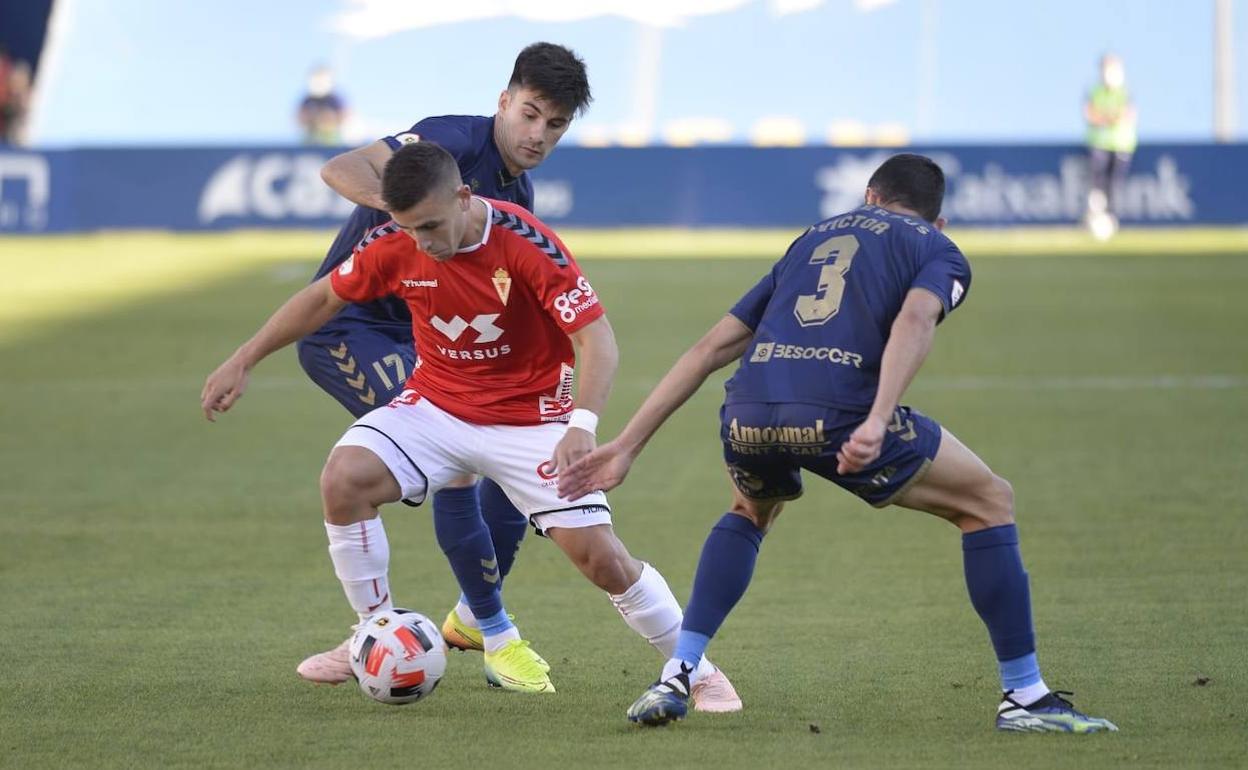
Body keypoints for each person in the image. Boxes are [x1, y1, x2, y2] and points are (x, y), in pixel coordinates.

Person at [557, 154, 1117, 733]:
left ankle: (678, 671)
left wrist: (628, 443)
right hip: (839, 412)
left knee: (750, 510)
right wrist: (876, 420)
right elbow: (916, 320)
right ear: (938, 221)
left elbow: (710, 349)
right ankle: (1025, 697)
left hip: (748, 408)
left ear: (869, 196)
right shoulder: (935, 247)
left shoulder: (813, 237)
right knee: (989, 501)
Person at [202, 141, 741, 708]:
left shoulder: (524, 241)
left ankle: (698, 670)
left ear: (464, 197)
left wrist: (582, 423)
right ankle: (374, 632)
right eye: (409, 229)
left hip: (531, 420)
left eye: (431, 225)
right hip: (436, 406)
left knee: (601, 560)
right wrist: (244, 357)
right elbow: (322, 299)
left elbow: (596, 338)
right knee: (344, 479)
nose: (423, 242)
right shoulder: (395, 241)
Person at [294, 43, 590, 682]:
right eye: (531, 114)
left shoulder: (520, 198)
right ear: (504, 101)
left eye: (556, 124)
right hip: (352, 330)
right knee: (456, 463)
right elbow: (342, 168)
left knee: (509, 459)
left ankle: (460, 621)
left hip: (434, 343)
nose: (538, 135)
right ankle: (479, 632)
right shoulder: (450, 139)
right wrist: (408, 223)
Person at [1083, 53, 1137, 240]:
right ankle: (1095, 217)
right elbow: (1091, 115)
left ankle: (1111, 219)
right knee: (1098, 183)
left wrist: (1107, 117)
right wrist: (1109, 117)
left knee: (1114, 185)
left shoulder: (1124, 92)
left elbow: (1127, 115)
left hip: (1121, 145)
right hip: (1099, 144)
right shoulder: (1095, 91)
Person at [297, 65, 347, 146]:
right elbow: (300, 118)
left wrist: (327, 118)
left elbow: (343, 116)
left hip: (332, 140)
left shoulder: (334, 99)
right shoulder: (308, 100)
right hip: (310, 139)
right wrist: (312, 118)